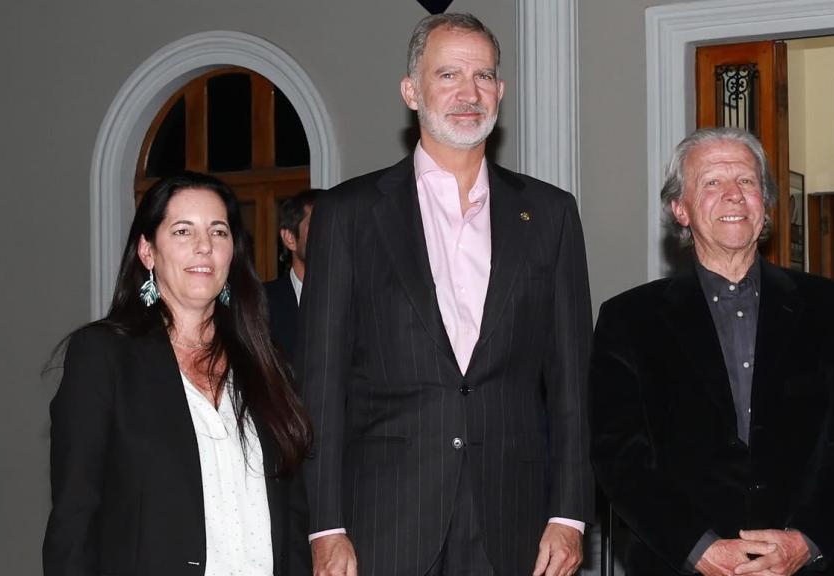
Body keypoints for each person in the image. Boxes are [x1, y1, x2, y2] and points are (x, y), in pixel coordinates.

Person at [296, 12, 593, 576]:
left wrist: (571, 514)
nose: (468, 93)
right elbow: (321, 381)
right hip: (384, 520)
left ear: (500, 91)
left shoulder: (550, 214)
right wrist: (326, 525)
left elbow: (573, 379)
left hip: (515, 521)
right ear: (412, 90)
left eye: (483, 76)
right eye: (448, 74)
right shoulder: (348, 215)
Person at [590, 127, 834, 576]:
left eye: (746, 182)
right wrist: (698, 549)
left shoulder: (832, 307)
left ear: (765, 205)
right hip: (679, 564)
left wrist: (806, 540)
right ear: (680, 209)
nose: (733, 195)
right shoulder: (628, 319)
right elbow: (619, 455)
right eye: (711, 182)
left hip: (804, 565)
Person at [43, 172, 313, 576]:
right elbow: (74, 515)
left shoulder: (263, 357)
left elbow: (293, 505)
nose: (204, 246)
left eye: (218, 232)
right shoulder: (104, 355)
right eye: (183, 231)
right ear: (147, 251)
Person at [265, 189, 319, 356]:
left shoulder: (360, 299)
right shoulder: (260, 302)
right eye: (318, 225)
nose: (331, 235)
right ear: (290, 238)